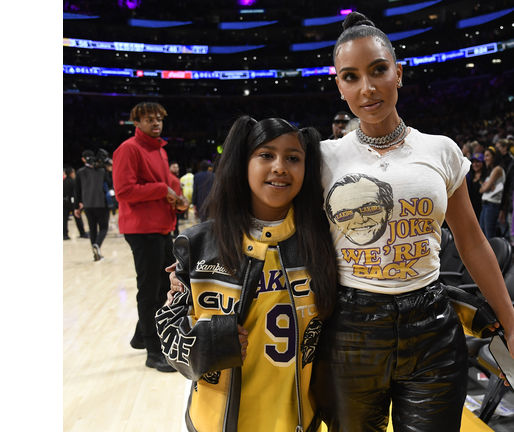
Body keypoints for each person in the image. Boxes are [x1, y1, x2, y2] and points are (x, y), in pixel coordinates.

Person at [310, 12, 514, 432]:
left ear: (399, 73)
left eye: (378, 71)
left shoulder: (442, 150)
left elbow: (473, 242)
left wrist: (512, 325)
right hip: (350, 330)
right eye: (351, 77)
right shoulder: (323, 157)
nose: (368, 88)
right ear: (339, 86)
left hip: (431, 327)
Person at [155, 116, 338, 432]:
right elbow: (168, 326)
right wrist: (199, 346)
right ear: (243, 163)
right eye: (266, 155)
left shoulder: (325, 243)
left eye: (293, 158)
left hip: (299, 420)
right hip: (215, 422)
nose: (280, 166)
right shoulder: (196, 244)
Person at [113, 101, 189, 372]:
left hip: (160, 225)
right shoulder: (128, 149)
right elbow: (124, 191)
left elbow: (167, 182)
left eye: (159, 119)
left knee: (162, 286)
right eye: (149, 120)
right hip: (141, 229)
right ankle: (153, 351)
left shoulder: (160, 151)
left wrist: (178, 197)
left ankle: (139, 335)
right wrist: (162, 190)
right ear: (136, 123)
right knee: (150, 290)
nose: (156, 123)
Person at [75, 150, 113, 261]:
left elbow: (76, 190)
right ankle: (97, 244)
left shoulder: (80, 172)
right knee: (104, 228)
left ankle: (95, 253)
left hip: (87, 204)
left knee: (92, 229)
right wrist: (109, 171)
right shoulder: (102, 171)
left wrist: (76, 207)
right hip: (101, 203)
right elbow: (110, 183)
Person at [479, 146, 506, 239]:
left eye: (487, 156)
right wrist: (485, 187)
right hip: (487, 204)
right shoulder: (491, 170)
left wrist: (485, 187)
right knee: (482, 233)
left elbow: (484, 189)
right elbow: (481, 189)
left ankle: (492, 254)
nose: (485, 158)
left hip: (492, 204)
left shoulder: (497, 169)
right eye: (484, 156)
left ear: (494, 157)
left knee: (489, 235)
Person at [63, 166, 89, 240]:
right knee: (78, 218)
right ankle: (82, 233)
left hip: (63, 202)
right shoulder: (74, 182)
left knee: (64, 219)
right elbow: (77, 193)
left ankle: (65, 235)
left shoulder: (62, 182)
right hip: (73, 202)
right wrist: (80, 202)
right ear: (72, 173)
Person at [466, 152, 487, 219]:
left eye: (478, 162)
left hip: (482, 209)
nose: (475, 164)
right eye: (474, 162)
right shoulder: (469, 177)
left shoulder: (486, 177)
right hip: (470, 209)